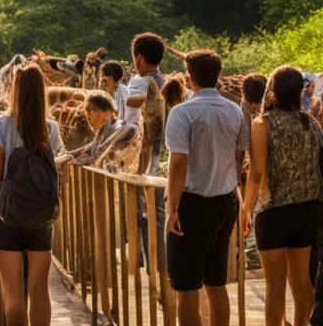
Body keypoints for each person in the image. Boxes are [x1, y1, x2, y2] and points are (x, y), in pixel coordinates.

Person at [164, 50, 248, 326]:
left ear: (189, 77)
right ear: (218, 76)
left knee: (186, 287)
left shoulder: (182, 113)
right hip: (225, 202)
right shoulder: (234, 111)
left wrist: (170, 208)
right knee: (216, 282)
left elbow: (178, 165)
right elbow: (237, 160)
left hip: (192, 204)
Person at [0, 64, 69, 326]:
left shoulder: (0, 124)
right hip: (42, 214)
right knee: (39, 290)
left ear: (15, 90)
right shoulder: (51, 127)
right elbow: (54, 169)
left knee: (13, 292)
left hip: (5, 213)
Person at [241, 66, 322, 326]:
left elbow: (256, 173)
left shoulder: (263, 123)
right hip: (307, 209)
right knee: (301, 281)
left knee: (275, 285)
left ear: (272, 90)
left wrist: (246, 208)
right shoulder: (309, 121)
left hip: (274, 211)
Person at [127, 33, 168, 277]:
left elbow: (130, 102)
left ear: (139, 59)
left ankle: (158, 270)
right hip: (172, 159)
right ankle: (162, 268)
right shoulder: (172, 84)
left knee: (152, 217)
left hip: (150, 160)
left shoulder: (142, 83)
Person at [99, 60, 128, 125]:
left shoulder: (124, 94)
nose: (102, 79)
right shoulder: (103, 94)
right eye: (101, 76)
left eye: (104, 76)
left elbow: (122, 122)